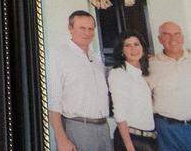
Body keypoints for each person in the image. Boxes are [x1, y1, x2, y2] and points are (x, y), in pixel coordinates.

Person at [48, 10, 111, 151]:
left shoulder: (97, 58)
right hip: (78, 128)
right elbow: (53, 101)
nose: (87, 33)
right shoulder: (59, 55)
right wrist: (61, 138)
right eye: (82, 28)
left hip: (104, 128)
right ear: (70, 28)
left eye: (90, 29)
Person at [145, 20, 191, 151]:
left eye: (177, 34)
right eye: (167, 34)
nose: (173, 39)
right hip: (166, 130)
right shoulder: (151, 64)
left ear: (182, 37)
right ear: (159, 39)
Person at [106, 30, 156, 151]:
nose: (133, 49)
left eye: (136, 44)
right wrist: (129, 146)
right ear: (121, 51)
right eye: (127, 45)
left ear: (142, 47)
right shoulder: (118, 73)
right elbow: (119, 113)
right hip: (132, 139)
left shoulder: (144, 72)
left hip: (150, 137)